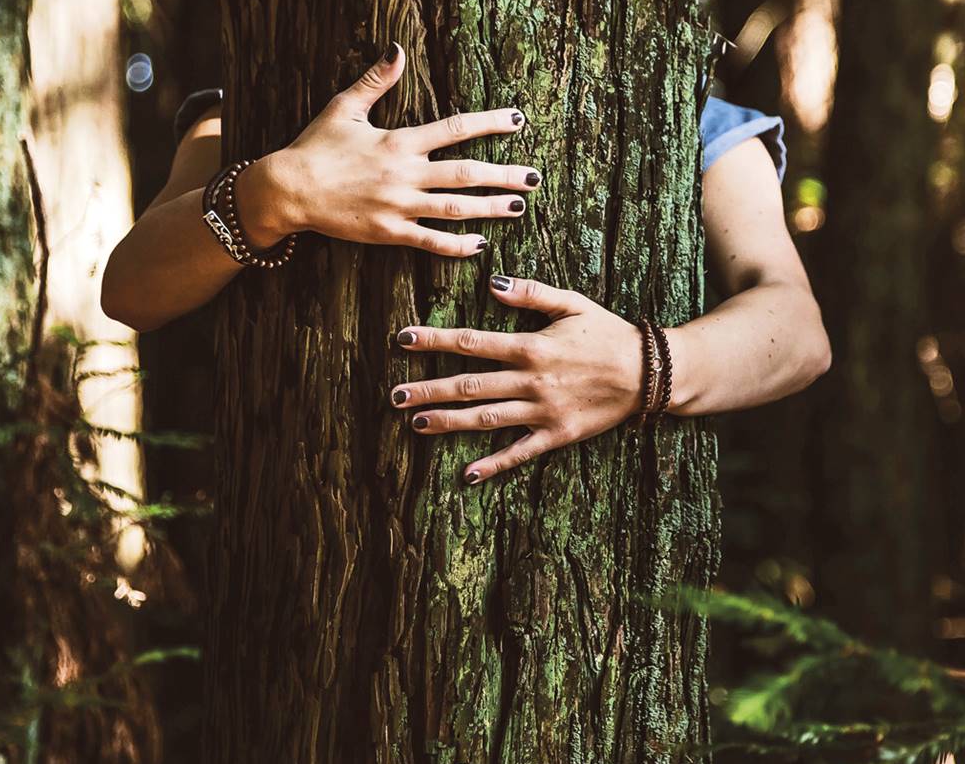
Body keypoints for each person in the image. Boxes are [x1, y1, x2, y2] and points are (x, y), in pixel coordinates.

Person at [101, 42, 830, 484]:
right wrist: (279, 190)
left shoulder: (685, 118)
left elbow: (797, 332)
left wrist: (642, 368)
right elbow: (132, 288)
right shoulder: (262, 99)